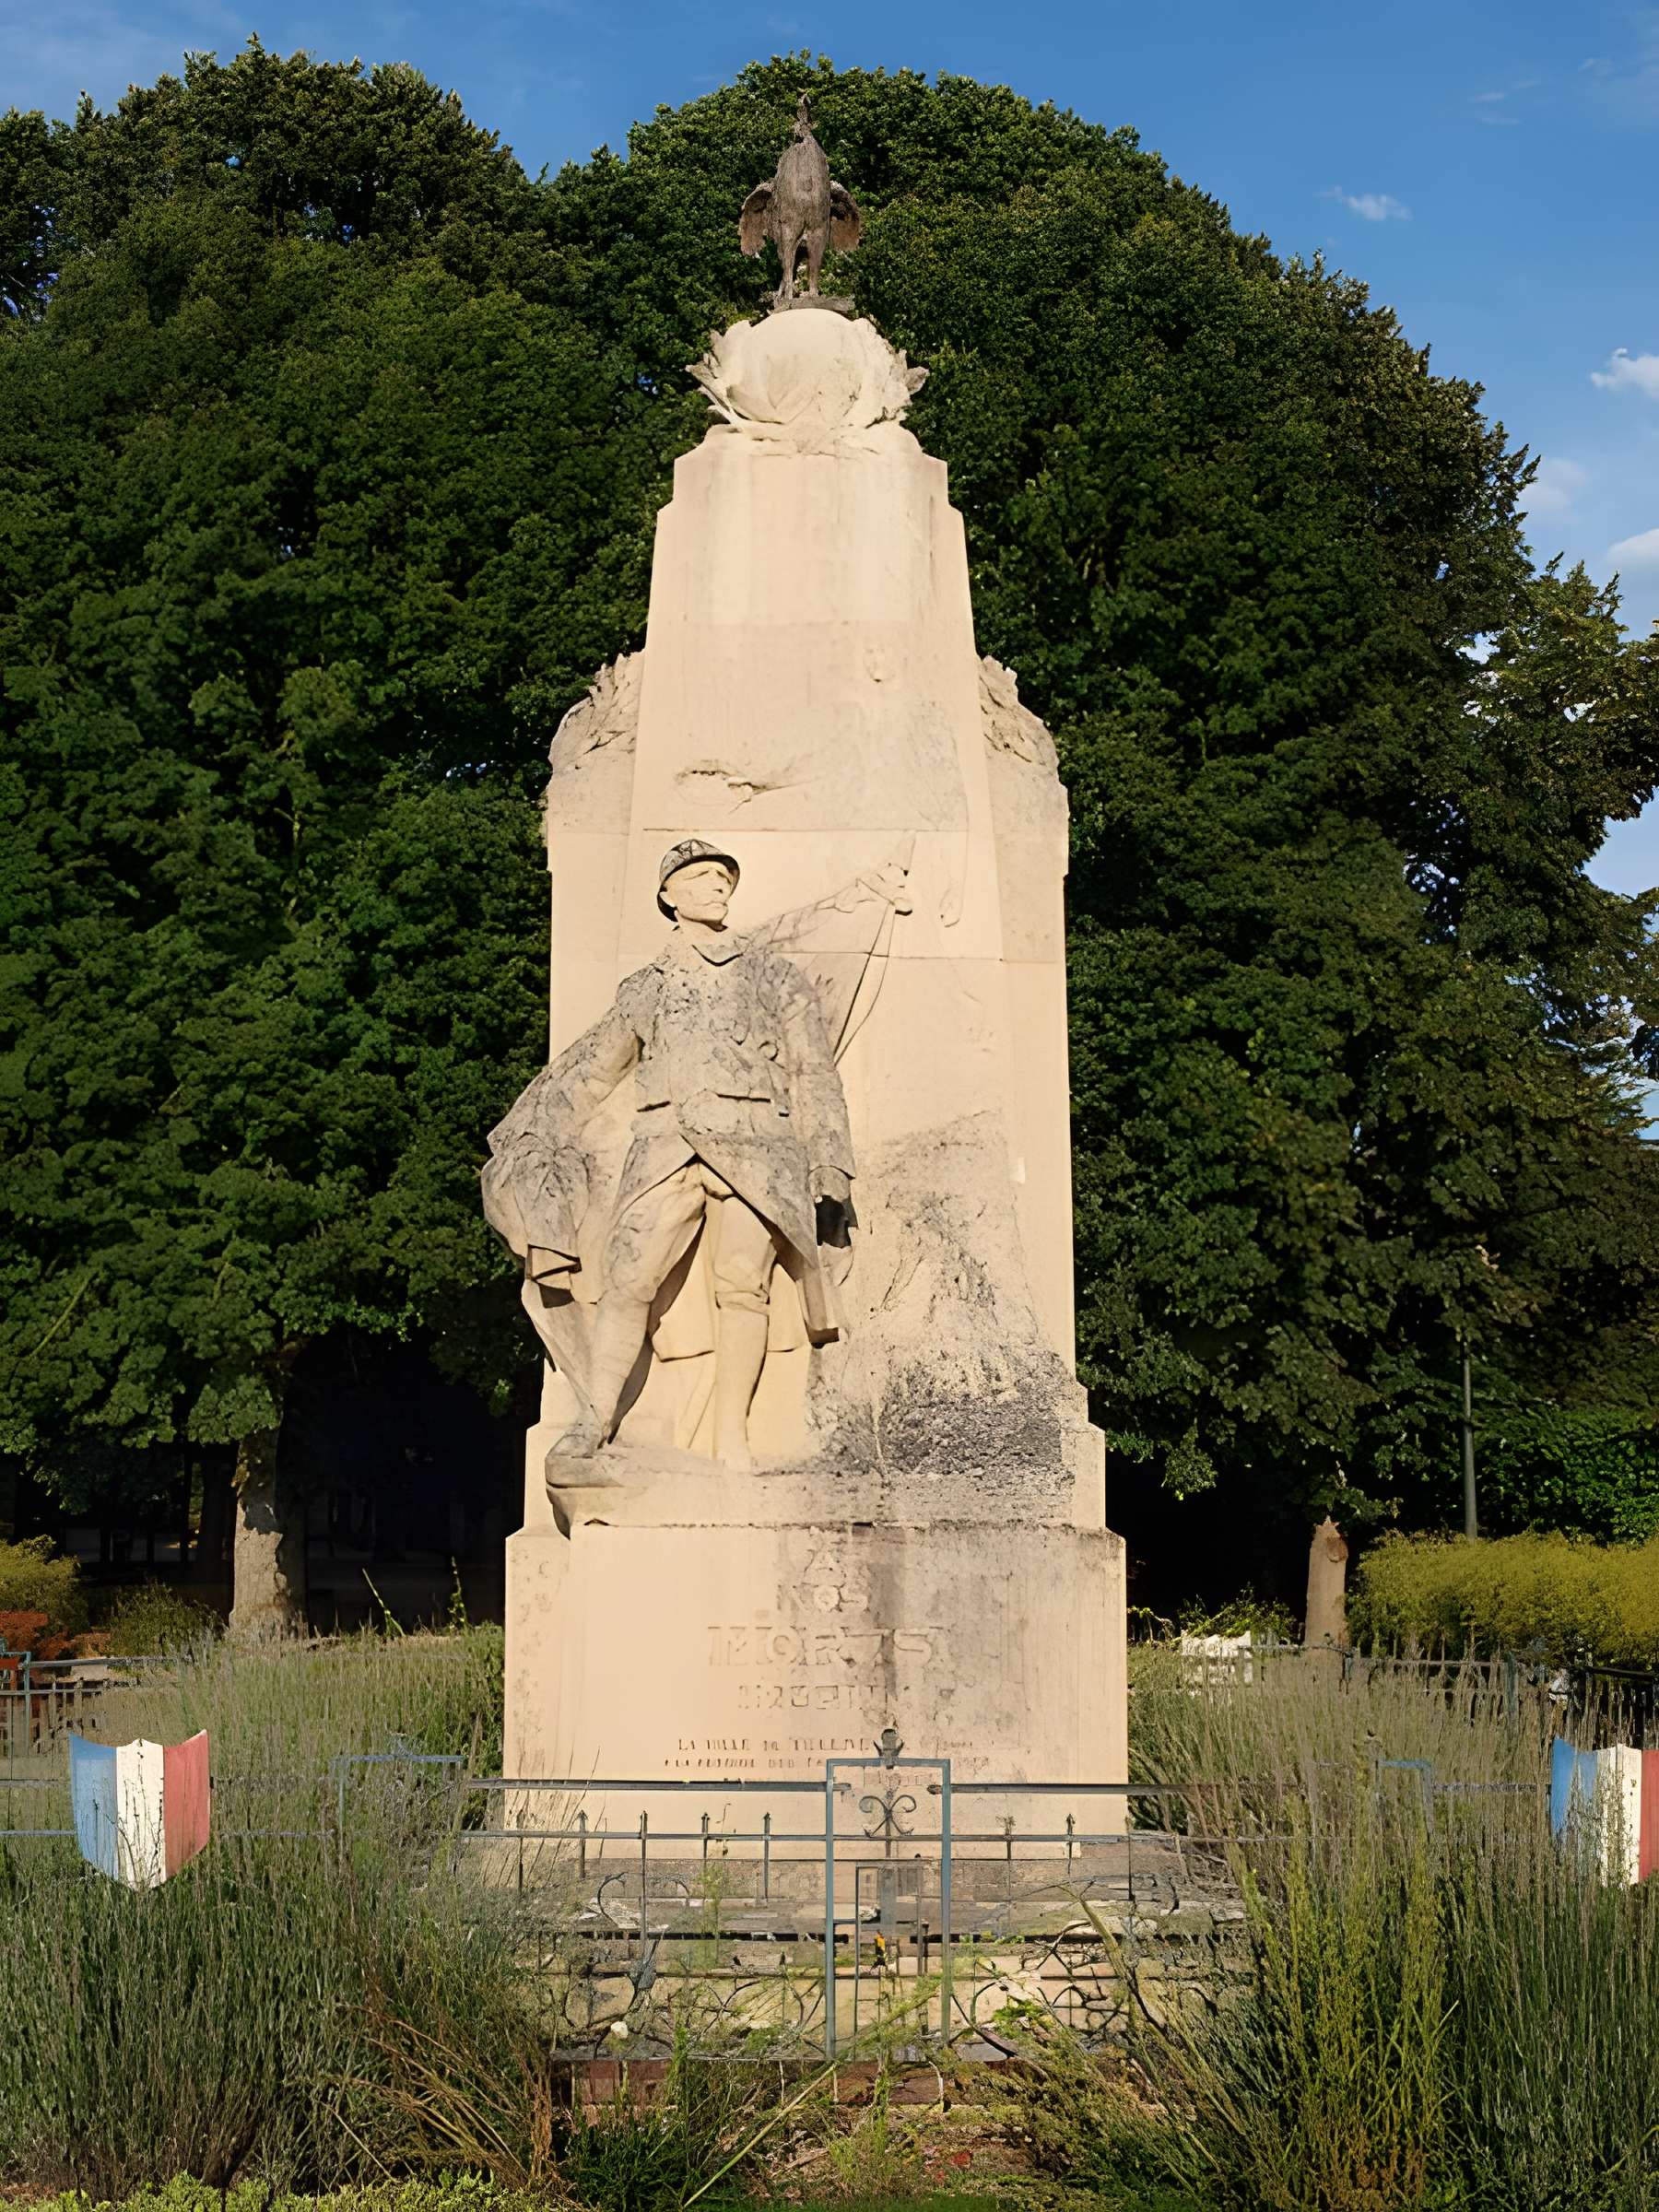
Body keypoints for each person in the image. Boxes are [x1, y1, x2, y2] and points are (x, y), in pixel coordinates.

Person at [486, 839, 855, 1470]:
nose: (718, 887)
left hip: (757, 1145)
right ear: (669, 895)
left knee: (743, 1289)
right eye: (702, 877)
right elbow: (593, 1071)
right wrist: (532, 1129)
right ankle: (596, 1419)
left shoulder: (772, 975)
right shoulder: (646, 987)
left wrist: (828, 1160)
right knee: (629, 1280)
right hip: (665, 1147)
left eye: (723, 877)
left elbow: (814, 1072)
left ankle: (732, 1436)